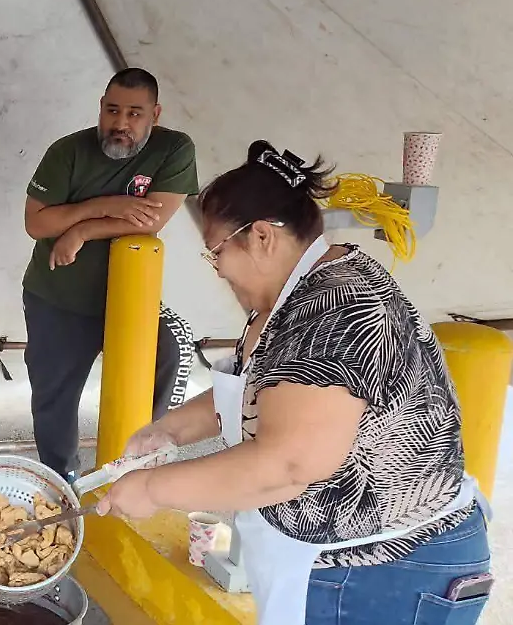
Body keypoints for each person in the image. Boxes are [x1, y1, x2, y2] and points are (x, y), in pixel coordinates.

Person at [96, 140, 492, 624]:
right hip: (357, 567)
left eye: (215, 252)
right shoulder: (299, 290)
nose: (217, 268)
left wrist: (154, 490)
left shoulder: (337, 313)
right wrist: (172, 430)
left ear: (261, 236)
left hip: (386, 573)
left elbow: (285, 466)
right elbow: (259, 390)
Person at [21, 67, 198, 481]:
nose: (121, 124)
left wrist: (81, 230)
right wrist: (106, 206)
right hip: (57, 297)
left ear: (155, 113)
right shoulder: (68, 151)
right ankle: (60, 482)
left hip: (128, 299)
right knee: (54, 399)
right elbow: (37, 223)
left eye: (135, 114)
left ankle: (133, 468)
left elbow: (150, 220)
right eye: (113, 110)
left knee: (165, 355)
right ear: (100, 108)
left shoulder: (174, 149)